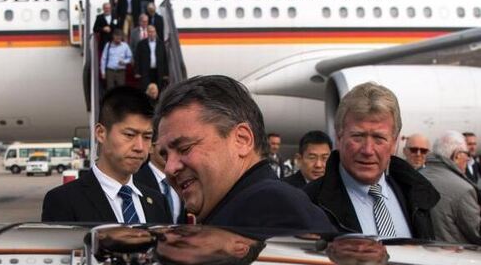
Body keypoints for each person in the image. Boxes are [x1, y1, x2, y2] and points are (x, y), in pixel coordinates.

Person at [154, 75, 335, 231]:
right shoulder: (244, 209)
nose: (169, 168)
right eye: (165, 156)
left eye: (184, 148)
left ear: (242, 140)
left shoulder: (272, 210)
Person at [304, 82, 439, 239]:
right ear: (339, 138)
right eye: (358, 136)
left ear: (394, 143)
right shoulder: (306, 205)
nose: (368, 150)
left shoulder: (417, 196)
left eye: (379, 138)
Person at [42, 87, 170, 223]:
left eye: (147, 137)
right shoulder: (63, 201)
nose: (140, 147)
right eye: (129, 135)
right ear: (100, 133)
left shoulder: (158, 202)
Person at [420, 131, 481, 244]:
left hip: (417, 255)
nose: (468, 159)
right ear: (457, 155)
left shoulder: (417, 176)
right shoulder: (464, 190)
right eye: (466, 154)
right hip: (453, 257)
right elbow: (477, 233)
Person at [134, 143, 184, 223]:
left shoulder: (183, 178)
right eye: (164, 149)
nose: (169, 153)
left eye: (174, 147)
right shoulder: (135, 178)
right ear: (151, 148)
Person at [135, 25, 169, 91]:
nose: (152, 34)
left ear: (155, 32)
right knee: (146, 89)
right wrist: (137, 72)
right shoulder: (141, 44)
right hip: (146, 71)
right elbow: (137, 58)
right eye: (150, 32)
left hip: (158, 71)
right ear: (147, 33)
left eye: (153, 32)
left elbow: (165, 59)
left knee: (158, 89)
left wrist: (166, 73)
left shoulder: (161, 44)